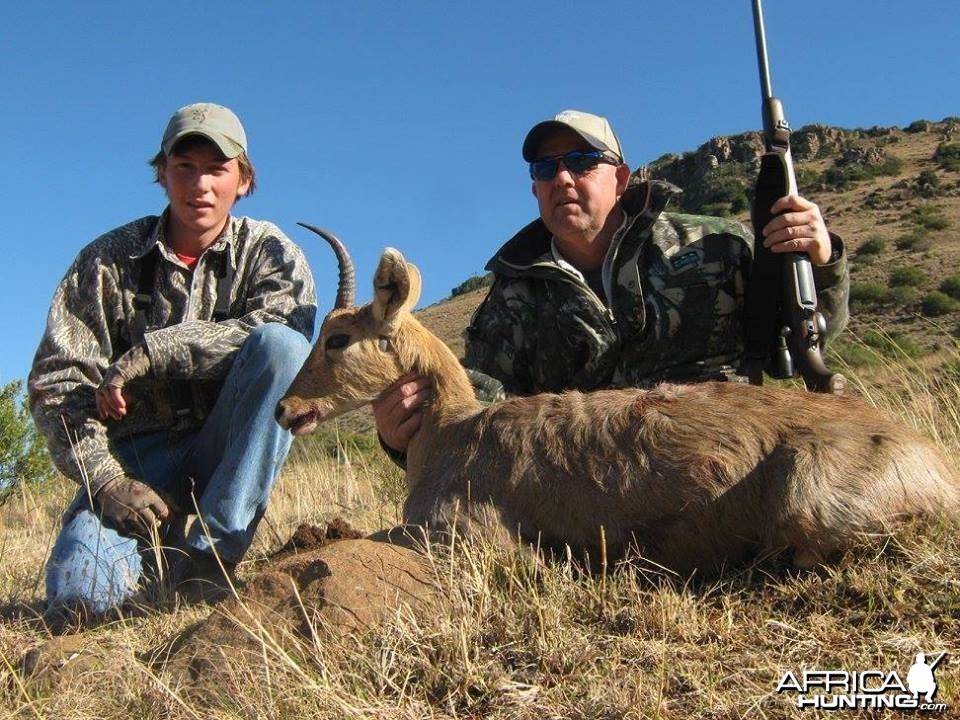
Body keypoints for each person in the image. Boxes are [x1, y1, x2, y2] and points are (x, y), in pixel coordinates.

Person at [375, 109, 848, 457]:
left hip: (729, 457)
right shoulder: (511, 297)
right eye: (545, 169)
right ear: (535, 189)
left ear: (620, 179)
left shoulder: (716, 244)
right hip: (595, 495)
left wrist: (821, 262)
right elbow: (476, 410)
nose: (561, 178)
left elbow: (810, 331)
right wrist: (402, 434)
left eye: (581, 162)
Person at [28, 102, 317, 626]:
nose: (200, 184)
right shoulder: (106, 260)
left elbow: (288, 335)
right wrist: (107, 482)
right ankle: (153, 554)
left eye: (217, 168)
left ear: (244, 181)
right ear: (161, 174)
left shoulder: (271, 253)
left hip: (224, 452)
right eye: (184, 167)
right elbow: (58, 383)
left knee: (281, 348)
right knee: (79, 601)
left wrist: (155, 350)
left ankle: (213, 559)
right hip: (134, 468)